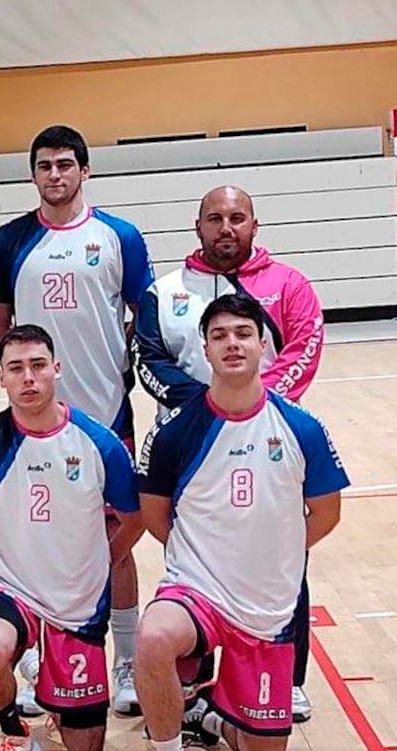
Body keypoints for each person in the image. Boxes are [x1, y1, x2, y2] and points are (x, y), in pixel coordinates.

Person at [135, 293, 347, 751]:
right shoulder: (175, 430)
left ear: (264, 346)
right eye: (219, 335)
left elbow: (326, 513)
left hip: (267, 607)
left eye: (243, 333)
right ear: (205, 350)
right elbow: (157, 517)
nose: (232, 343)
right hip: (197, 592)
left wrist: (273, 552)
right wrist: (205, 560)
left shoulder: (301, 428)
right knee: (154, 637)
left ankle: (209, 711)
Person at [0, 125, 155, 717]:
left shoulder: (119, 237)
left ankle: (125, 660)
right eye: (44, 166)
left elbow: (143, 315)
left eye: (64, 165)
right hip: (31, 426)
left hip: (104, 415)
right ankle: (34, 656)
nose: (55, 175)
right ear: (33, 174)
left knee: (116, 543)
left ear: (85, 170)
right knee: (32, 540)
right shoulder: (8, 243)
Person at [135, 185, 326, 721]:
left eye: (237, 218)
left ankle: (286, 679)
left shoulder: (288, 285)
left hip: (268, 445)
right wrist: (207, 408)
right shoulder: (166, 291)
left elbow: (305, 346)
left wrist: (254, 402)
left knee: (283, 559)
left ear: (254, 225)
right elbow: (148, 357)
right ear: (197, 227)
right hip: (194, 451)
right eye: (215, 218)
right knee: (193, 559)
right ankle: (192, 680)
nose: (226, 228)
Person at [0, 324, 143, 751]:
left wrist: (101, 562)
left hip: (76, 601)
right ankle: (14, 736)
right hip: (9, 586)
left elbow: (134, 518)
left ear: (56, 369)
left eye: (38, 365)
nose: (28, 378)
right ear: (0, 377)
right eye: (15, 368)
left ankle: (57, 696)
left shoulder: (99, 443)